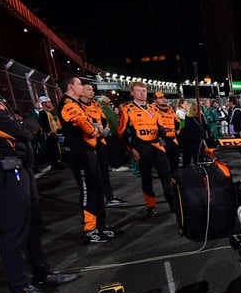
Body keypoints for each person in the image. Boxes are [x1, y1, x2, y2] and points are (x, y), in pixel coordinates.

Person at [0, 41, 77, 293]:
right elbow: (16, 128)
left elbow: (26, 123)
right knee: (14, 230)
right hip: (3, 169)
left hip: (20, 165)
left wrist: (22, 127)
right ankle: (21, 288)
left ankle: (43, 273)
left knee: (33, 226)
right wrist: (21, 127)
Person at [59, 74, 117, 244]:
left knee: (97, 189)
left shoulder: (78, 104)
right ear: (71, 87)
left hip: (90, 152)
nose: (82, 87)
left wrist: (95, 126)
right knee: (88, 191)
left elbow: (94, 122)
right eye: (78, 84)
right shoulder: (68, 105)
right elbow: (90, 128)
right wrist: (96, 128)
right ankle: (90, 229)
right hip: (80, 154)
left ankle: (101, 225)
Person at [118, 80, 174, 217]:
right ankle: (151, 206)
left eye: (144, 91)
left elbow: (160, 125)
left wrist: (162, 131)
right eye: (138, 91)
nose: (142, 93)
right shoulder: (127, 109)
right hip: (141, 147)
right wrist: (131, 149)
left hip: (156, 145)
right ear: (132, 93)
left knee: (166, 176)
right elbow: (121, 133)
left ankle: (173, 203)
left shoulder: (153, 108)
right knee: (146, 178)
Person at [81, 82, 127, 207]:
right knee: (92, 176)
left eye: (92, 89)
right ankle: (95, 203)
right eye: (88, 89)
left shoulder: (96, 105)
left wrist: (104, 129)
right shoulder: (78, 106)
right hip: (89, 145)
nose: (92, 91)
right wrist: (97, 129)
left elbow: (103, 120)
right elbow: (85, 123)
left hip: (101, 142)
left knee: (104, 172)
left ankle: (109, 197)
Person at [153, 92, 181, 173]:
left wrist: (177, 130)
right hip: (162, 140)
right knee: (165, 164)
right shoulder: (152, 109)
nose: (164, 99)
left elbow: (177, 121)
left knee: (175, 163)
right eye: (161, 98)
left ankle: (175, 180)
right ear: (155, 100)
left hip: (172, 139)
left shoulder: (170, 109)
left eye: (165, 98)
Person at [179, 101, 208, 166]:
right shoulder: (200, 117)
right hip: (198, 139)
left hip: (188, 141)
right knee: (198, 157)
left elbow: (184, 129)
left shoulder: (186, 117)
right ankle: (201, 170)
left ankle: (187, 170)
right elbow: (205, 126)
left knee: (187, 158)